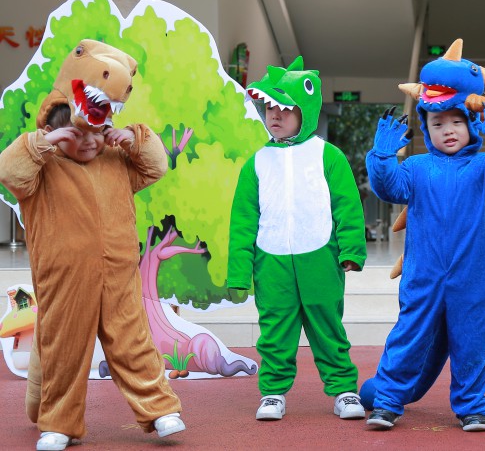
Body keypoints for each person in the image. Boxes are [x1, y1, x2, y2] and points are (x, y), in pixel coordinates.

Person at [0, 85, 184, 448]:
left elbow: (157, 166)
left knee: (133, 344)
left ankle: (160, 409)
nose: (88, 142)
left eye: (97, 132)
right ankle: (58, 423)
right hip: (65, 282)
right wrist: (44, 142)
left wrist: (133, 139)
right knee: (63, 352)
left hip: (118, 277)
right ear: (53, 133)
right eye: (76, 133)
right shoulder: (41, 168)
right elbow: (9, 171)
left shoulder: (116, 160)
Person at [362, 39, 485, 432]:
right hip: (424, 277)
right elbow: (388, 188)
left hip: (476, 279)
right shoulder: (416, 168)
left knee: (474, 342)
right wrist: (381, 157)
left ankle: (472, 407)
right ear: (426, 128)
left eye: (456, 122)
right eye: (437, 124)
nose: (447, 130)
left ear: (471, 124)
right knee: (409, 337)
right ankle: (386, 401)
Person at [227, 56, 367, 422]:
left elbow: (347, 205)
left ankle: (343, 389)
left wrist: (351, 250)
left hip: (321, 257)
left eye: (285, 109)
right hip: (270, 261)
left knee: (328, 327)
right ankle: (273, 393)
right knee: (274, 330)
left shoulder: (328, 156)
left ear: (306, 111)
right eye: (270, 108)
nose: (275, 115)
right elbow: (243, 220)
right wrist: (239, 270)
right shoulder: (256, 163)